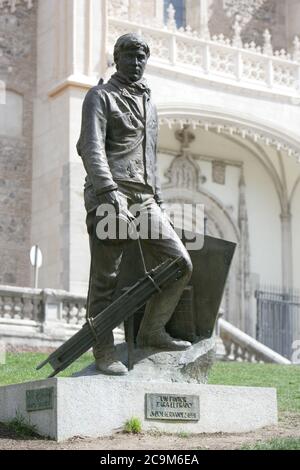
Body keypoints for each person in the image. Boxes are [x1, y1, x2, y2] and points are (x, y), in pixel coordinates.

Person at [77, 33, 193, 376]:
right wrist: (109, 192)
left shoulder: (149, 103)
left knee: (179, 262)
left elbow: (148, 156)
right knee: (106, 278)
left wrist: (156, 197)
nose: (137, 62)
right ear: (117, 58)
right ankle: (103, 347)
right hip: (110, 193)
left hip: (143, 198)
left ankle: (152, 331)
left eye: (142, 57)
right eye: (130, 56)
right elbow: (90, 146)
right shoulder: (100, 96)